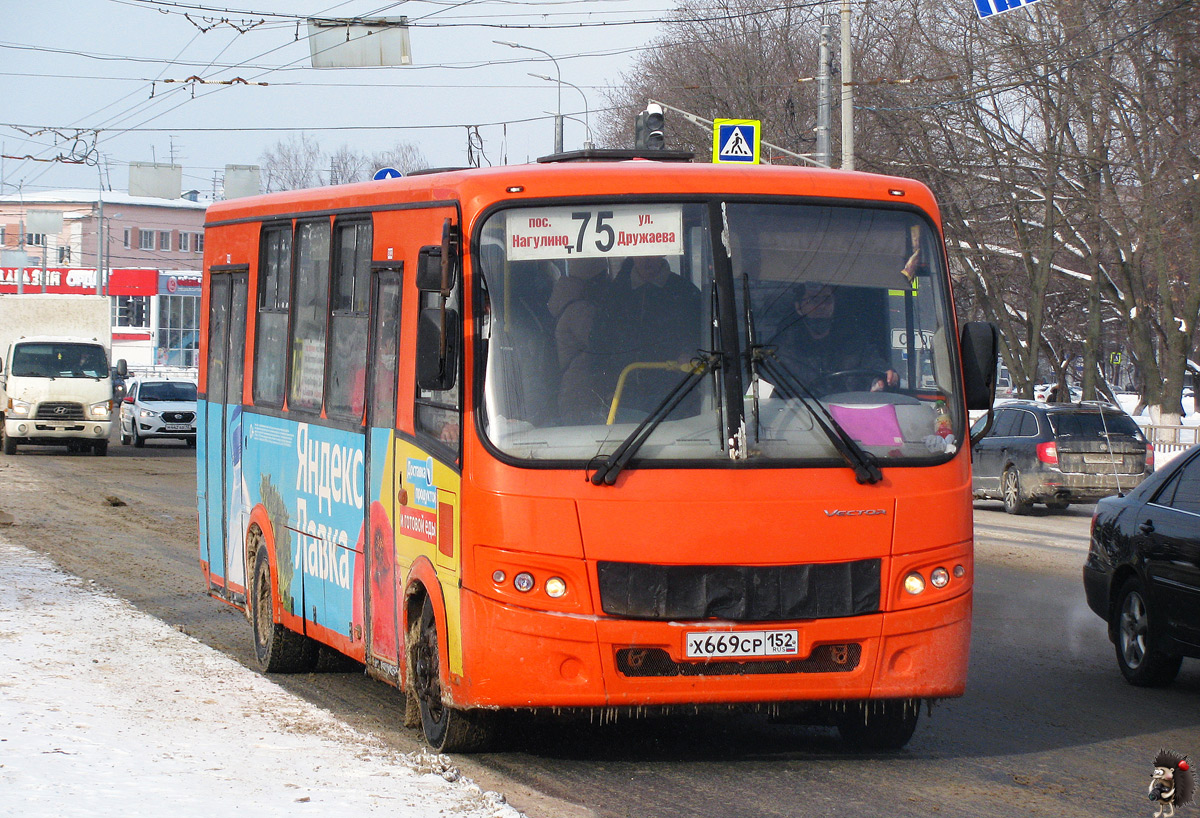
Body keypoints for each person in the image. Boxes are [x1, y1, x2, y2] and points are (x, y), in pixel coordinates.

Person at [599, 255, 703, 415]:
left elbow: (703, 338)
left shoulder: (686, 292)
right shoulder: (615, 294)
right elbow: (600, 345)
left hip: (675, 394)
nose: (647, 259)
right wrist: (607, 388)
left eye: (652, 253)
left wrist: (689, 353)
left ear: (664, 252)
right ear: (632, 255)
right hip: (623, 395)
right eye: (641, 253)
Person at [772, 282, 898, 393]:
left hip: (849, 413)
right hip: (801, 415)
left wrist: (887, 376)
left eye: (827, 300)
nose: (821, 306)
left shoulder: (854, 343)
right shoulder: (781, 353)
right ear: (798, 307)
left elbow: (876, 366)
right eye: (813, 300)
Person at [547, 257, 610, 424]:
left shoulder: (565, 301)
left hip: (572, 387)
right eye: (605, 275)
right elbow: (603, 348)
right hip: (582, 389)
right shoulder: (581, 311)